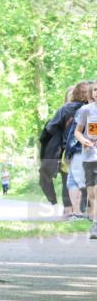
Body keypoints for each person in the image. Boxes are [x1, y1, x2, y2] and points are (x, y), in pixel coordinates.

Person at [40, 85, 85, 216]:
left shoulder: (84, 108)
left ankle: (77, 210)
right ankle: (68, 209)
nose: (72, 97)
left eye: (74, 94)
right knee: (68, 179)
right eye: (69, 95)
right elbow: (51, 129)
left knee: (77, 179)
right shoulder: (64, 111)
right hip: (65, 151)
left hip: (79, 149)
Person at [72, 80, 97, 239]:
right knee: (92, 193)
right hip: (90, 157)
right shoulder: (86, 110)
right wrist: (83, 140)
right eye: (95, 89)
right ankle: (94, 223)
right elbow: (77, 132)